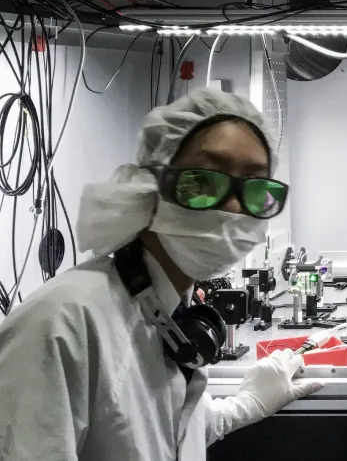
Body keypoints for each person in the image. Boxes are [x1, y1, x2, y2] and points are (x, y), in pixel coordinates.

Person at [0, 89, 323, 460]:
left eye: (255, 186)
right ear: (152, 185)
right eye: (204, 181)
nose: (234, 206)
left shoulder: (169, 315)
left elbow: (165, 432)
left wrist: (248, 403)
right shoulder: (62, 323)